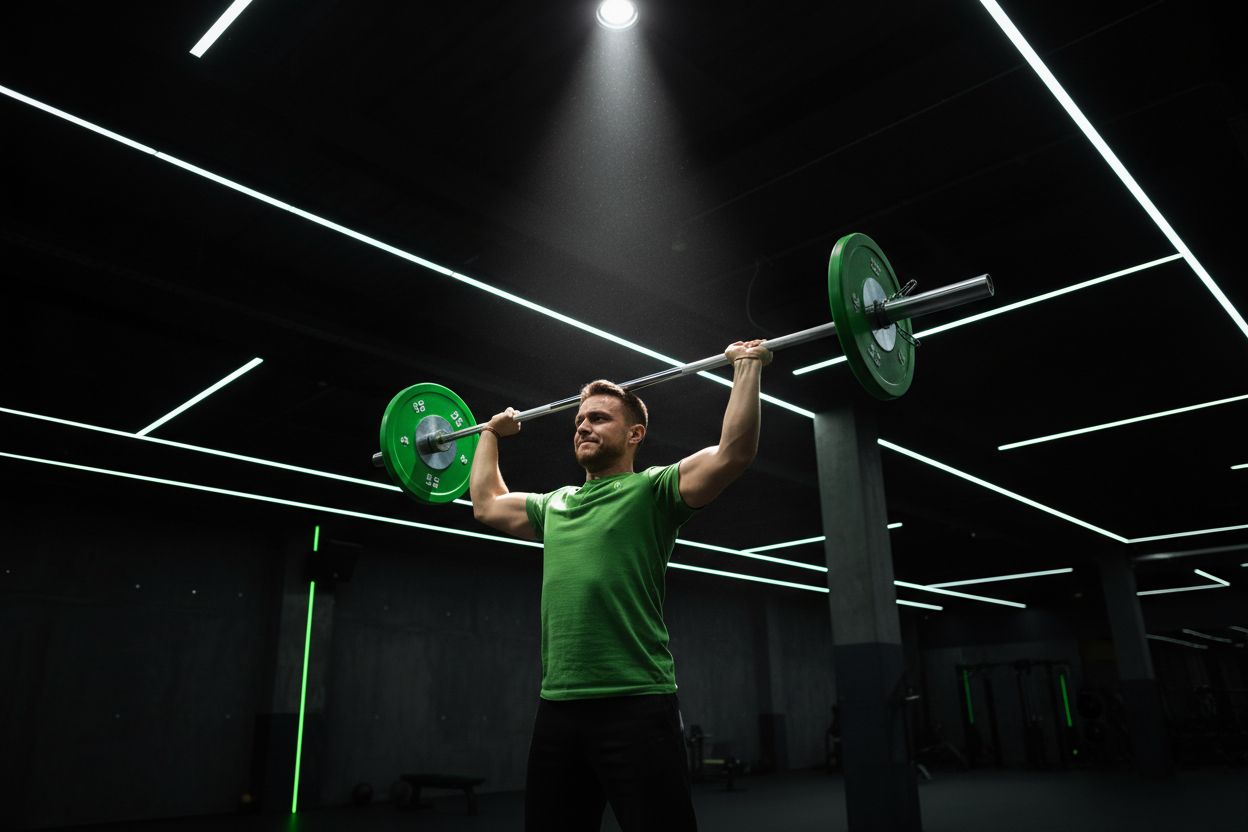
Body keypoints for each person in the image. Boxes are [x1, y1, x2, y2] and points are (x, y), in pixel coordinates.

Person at [469, 339, 773, 832]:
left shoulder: (653, 491)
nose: (584, 426)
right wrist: (490, 435)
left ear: (635, 433)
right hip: (559, 706)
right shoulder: (556, 504)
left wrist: (746, 367)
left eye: (599, 419)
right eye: (579, 421)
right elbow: (486, 503)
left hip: (636, 702)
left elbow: (733, 453)